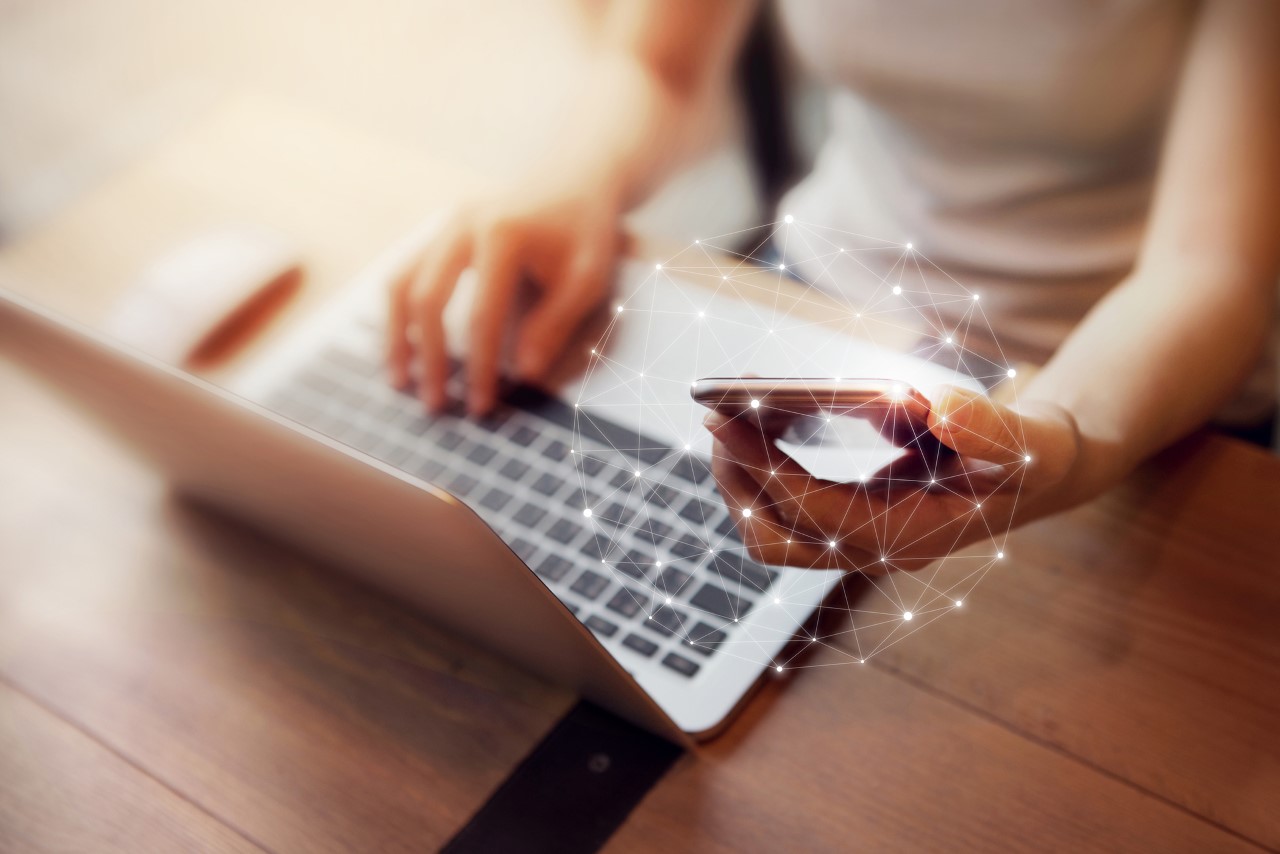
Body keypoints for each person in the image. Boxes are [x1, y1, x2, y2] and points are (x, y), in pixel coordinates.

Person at [385, 1, 1280, 573]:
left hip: (1138, 382)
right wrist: (574, 177)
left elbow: (1211, 269)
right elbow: (659, 61)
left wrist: (1067, 446)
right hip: (825, 293)